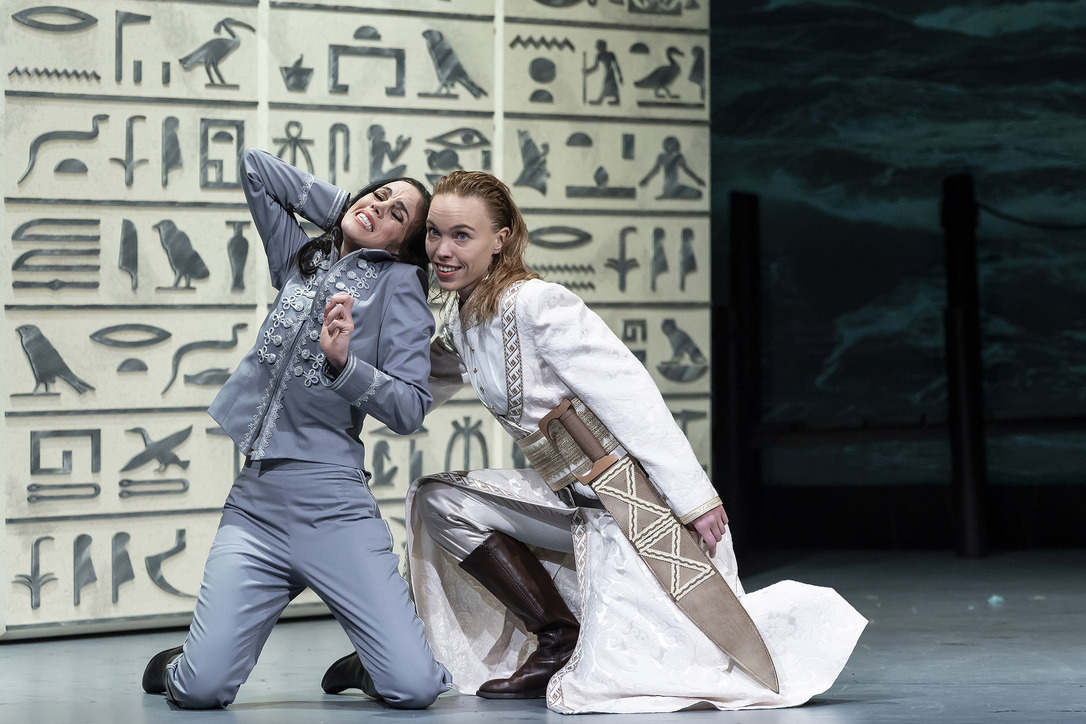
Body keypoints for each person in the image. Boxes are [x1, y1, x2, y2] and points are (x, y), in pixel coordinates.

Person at [323, 171, 866, 713]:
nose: (443, 250)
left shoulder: (537, 303)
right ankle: (555, 637)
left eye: (461, 236)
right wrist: (336, 358)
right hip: (570, 500)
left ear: (501, 239)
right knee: (439, 499)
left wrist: (695, 499)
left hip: (627, 503)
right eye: (434, 234)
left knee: (662, 666)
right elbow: (411, 390)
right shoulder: (463, 318)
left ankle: (553, 641)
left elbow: (632, 396)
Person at [140, 148, 451, 710]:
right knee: (200, 690)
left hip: (335, 509)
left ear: (404, 248)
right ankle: (182, 663)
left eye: (397, 216)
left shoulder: (400, 286)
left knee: (415, 687)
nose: (380, 207)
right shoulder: (304, 258)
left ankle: (369, 663)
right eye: (379, 194)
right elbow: (254, 168)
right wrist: (348, 211)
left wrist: (344, 366)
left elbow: (410, 408)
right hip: (256, 505)